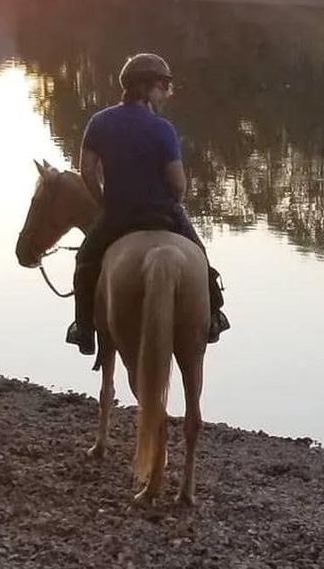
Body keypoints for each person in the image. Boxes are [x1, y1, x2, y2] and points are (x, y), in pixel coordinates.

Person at [65, 52, 230, 355]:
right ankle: (214, 318)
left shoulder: (99, 122)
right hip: (162, 214)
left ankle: (84, 329)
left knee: (86, 261)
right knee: (201, 259)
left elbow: (87, 171)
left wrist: (105, 202)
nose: (167, 92)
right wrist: (175, 203)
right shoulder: (161, 128)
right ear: (146, 88)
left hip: (118, 215)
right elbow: (178, 183)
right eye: (163, 86)